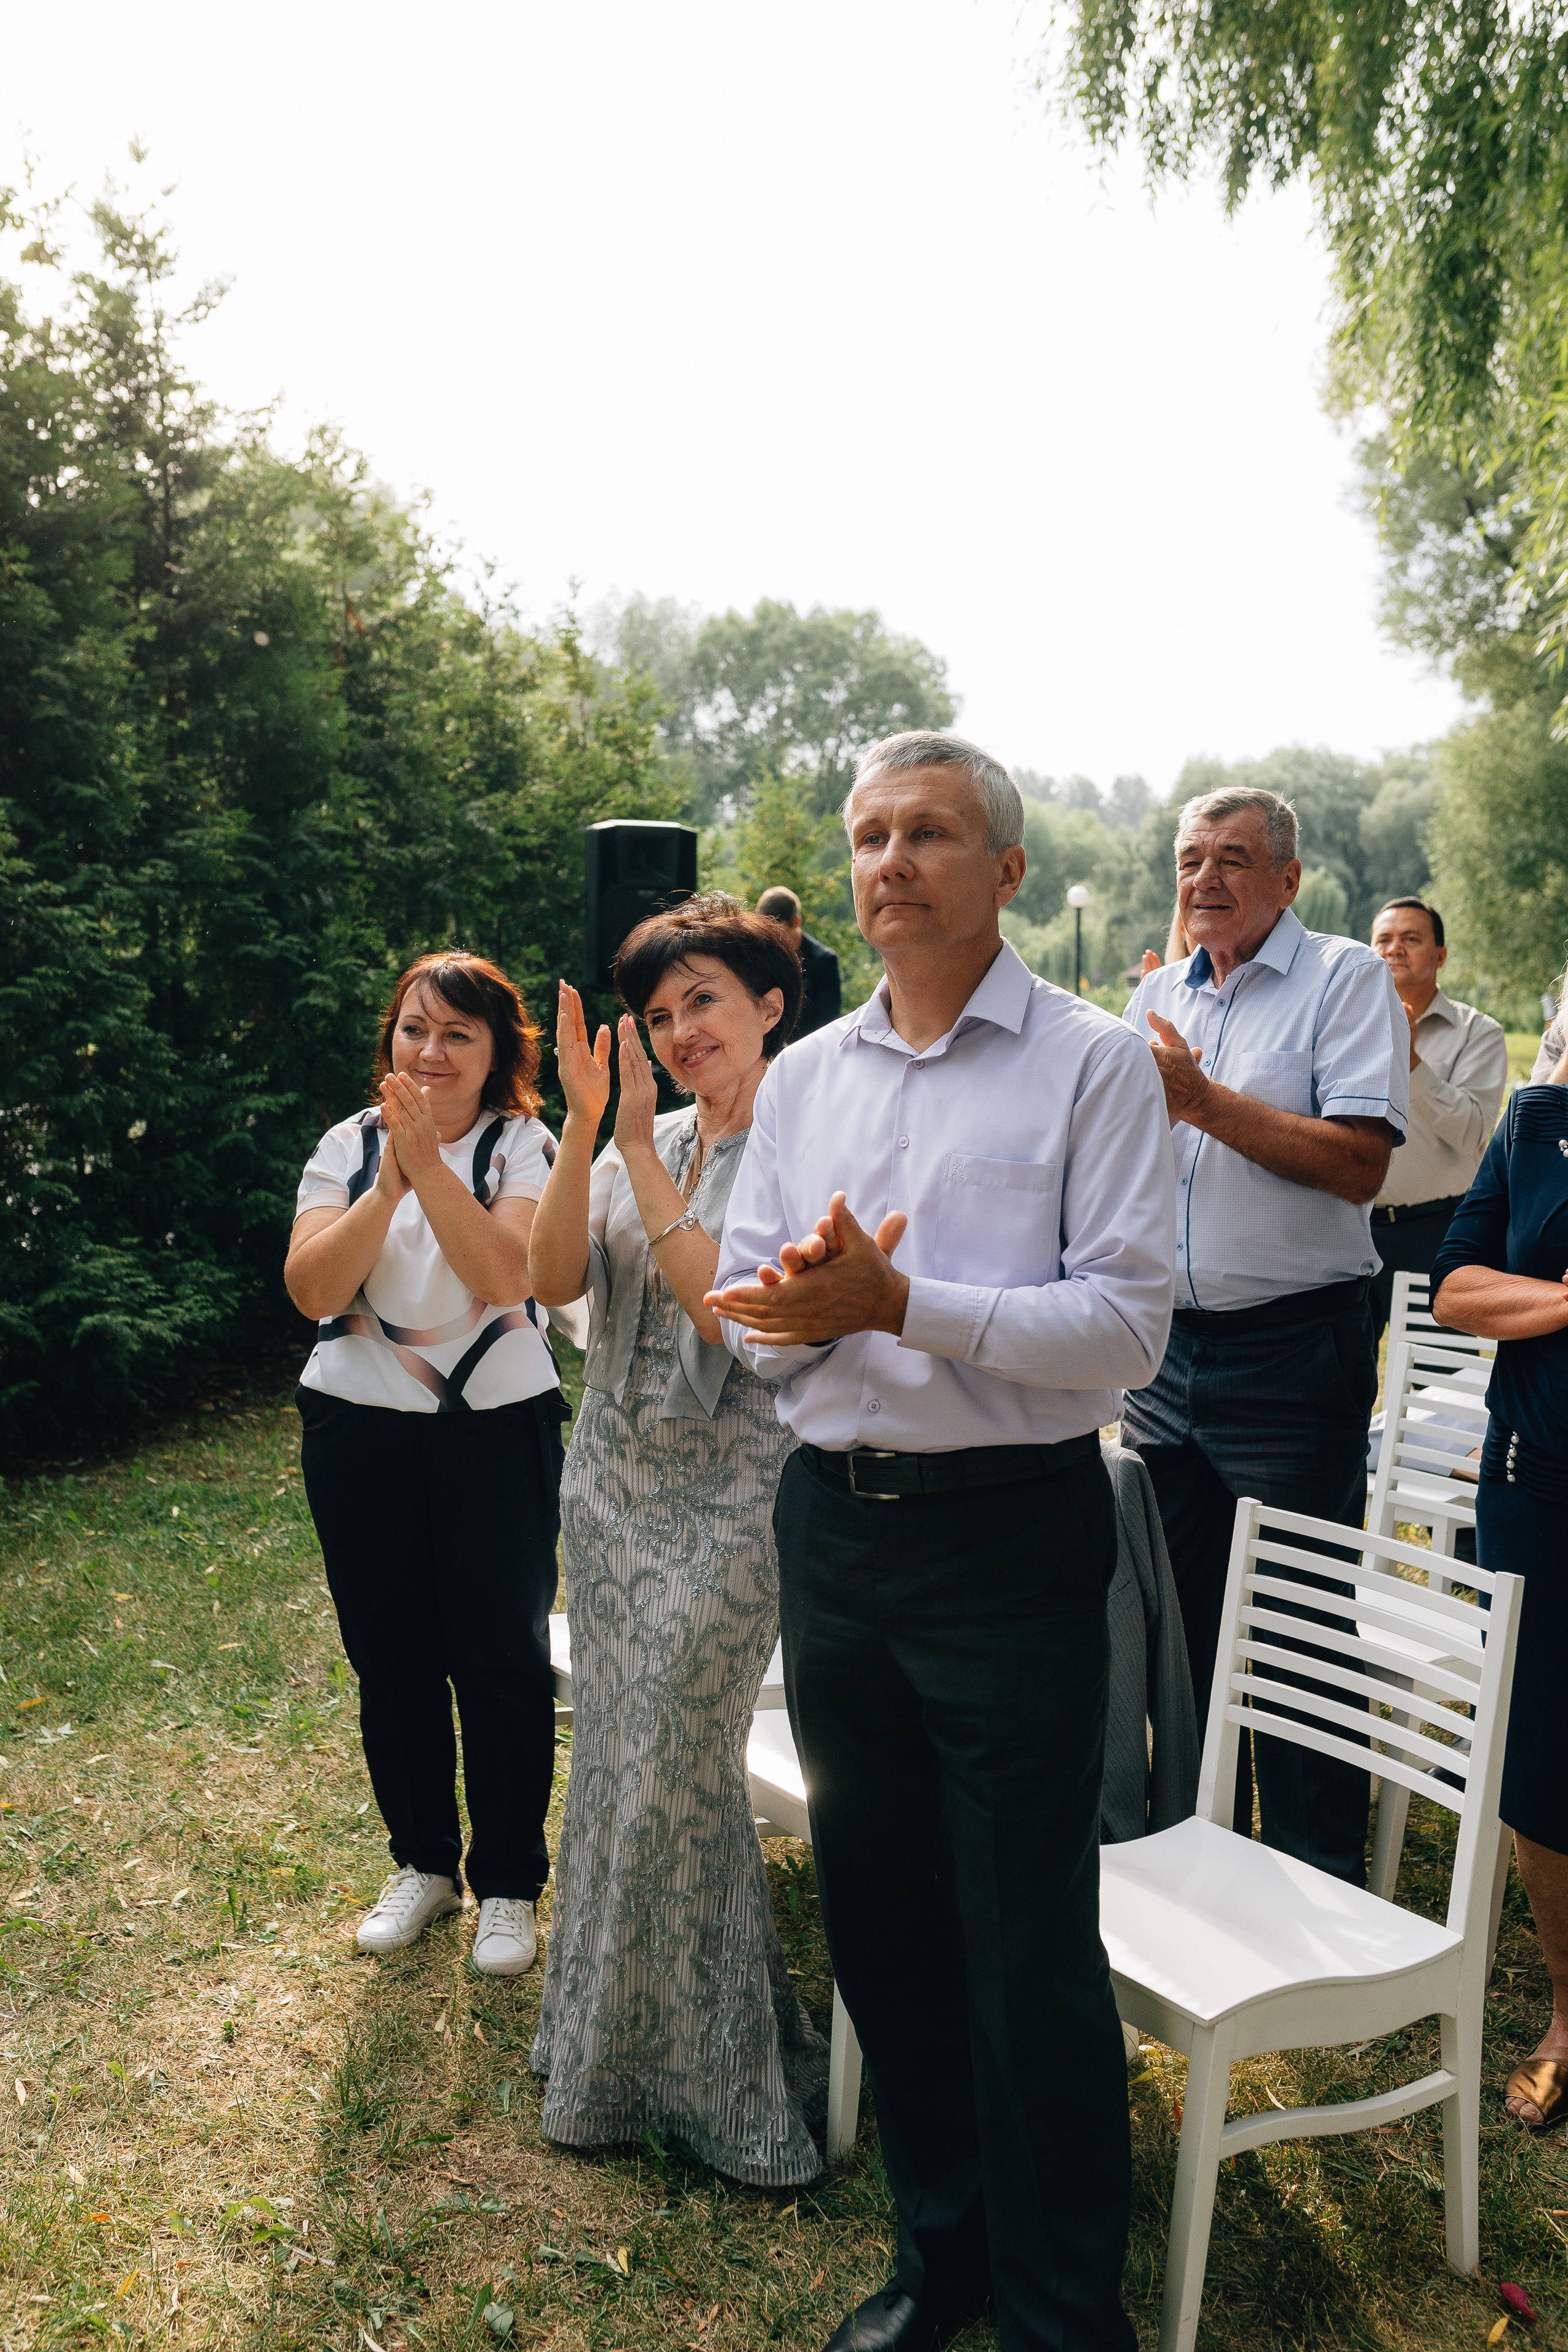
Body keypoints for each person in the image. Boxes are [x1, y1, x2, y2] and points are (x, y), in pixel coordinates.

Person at [710, 730, 1175, 2352]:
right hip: (836, 1538)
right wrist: (804, 1316)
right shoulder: (811, 1079)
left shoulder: (1093, 1064)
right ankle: (940, 2261)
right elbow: (753, 1319)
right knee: (888, 1923)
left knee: (1027, 1943)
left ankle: (1061, 2311)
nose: (889, 859)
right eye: (868, 835)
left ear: (1007, 871)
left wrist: (899, 1302)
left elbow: (1124, 1336)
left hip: (1011, 1545)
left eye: (928, 833)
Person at [526, 894, 826, 2187]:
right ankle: (608, 2037)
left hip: (731, 1498)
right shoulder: (624, 1143)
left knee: (672, 1767)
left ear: (768, 1005)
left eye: (701, 1000)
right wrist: (590, 1129)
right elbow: (545, 1283)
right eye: (658, 1013)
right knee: (618, 1766)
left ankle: (713, 2082)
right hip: (608, 1480)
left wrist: (645, 1149)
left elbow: (722, 1312)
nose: (677, 1029)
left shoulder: (807, 1147)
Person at [1119, 788, 1409, 1888]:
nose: (1206, 880)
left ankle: (1317, 1872)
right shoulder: (1157, 992)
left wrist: (1198, 1100)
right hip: (1165, 1353)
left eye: (1234, 858)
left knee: (1294, 1616)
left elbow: (1359, 1164)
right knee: (1180, 1624)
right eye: (1191, 858)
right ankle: (1199, 1849)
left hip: (1293, 1351)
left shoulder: (1344, 980)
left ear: (1287, 880)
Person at [285, 953, 572, 1973]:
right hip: (359, 1428)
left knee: (499, 1655)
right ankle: (423, 1863)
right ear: (390, 1040)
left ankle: (506, 1881)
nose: (431, 1051)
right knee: (390, 1654)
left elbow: (506, 1271)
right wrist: (391, 1178)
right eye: (415, 1029)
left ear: (498, 1053)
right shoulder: (345, 1147)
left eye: (458, 1034)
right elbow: (315, 1290)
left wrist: (435, 1170)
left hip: (495, 1425)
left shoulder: (526, 1145)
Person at [1431, 1075, 1568, 2133]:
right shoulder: (1534, 1123)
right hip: (1537, 1479)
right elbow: (1456, 1291)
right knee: (1542, 1747)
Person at [1367, 897, 1507, 1341]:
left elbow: (1472, 1130)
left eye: (1411, 939)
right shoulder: (1345, 1026)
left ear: (1440, 956)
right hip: (1351, 1229)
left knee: (1436, 1391)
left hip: (1437, 1233)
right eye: (1383, 940)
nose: (1394, 950)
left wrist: (1410, 1062)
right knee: (1337, 1386)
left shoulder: (1479, 1032)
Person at [756, 886, 841, 1035]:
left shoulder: (824, 961)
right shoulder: (758, 955)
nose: (772, 940)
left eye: (778, 933)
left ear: (796, 923)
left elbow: (828, 1024)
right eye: (766, 932)